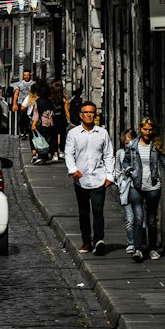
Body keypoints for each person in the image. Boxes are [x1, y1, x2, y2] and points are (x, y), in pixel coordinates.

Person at [64, 100, 114, 255]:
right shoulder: (73, 133)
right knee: (84, 212)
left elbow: (109, 155)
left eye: (91, 112)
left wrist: (110, 175)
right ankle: (86, 241)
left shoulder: (102, 133)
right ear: (80, 115)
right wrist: (73, 170)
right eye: (86, 112)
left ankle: (99, 240)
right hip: (81, 180)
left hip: (99, 178)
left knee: (98, 211)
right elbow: (68, 153)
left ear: (95, 114)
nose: (89, 115)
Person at [122, 116, 165, 262]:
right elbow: (125, 161)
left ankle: (151, 248)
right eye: (145, 129)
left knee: (151, 220)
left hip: (153, 187)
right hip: (136, 187)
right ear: (140, 129)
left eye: (150, 130)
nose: (147, 132)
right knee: (138, 219)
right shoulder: (132, 145)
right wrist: (130, 171)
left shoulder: (156, 145)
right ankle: (138, 249)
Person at [115, 129, 137, 253]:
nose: (127, 145)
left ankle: (140, 240)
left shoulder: (138, 151)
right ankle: (131, 242)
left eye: (129, 142)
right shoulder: (120, 153)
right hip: (126, 186)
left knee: (140, 217)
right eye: (125, 143)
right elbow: (117, 170)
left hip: (139, 186)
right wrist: (120, 184)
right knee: (129, 217)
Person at [31, 79, 54, 164]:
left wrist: (33, 124)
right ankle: (46, 156)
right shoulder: (50, 101)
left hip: (42, 123)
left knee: (41, 141)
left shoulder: (38, 101)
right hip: (50, 123)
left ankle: (41, 157)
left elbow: (36, 114)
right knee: (47, 141)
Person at [49, 79, 69, 162]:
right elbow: (66, 110)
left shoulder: (50, 98)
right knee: (63, 136)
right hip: (62, 119)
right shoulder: (63, 98)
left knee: (53, 137)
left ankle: (55, 154)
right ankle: (62, 152)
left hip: (53, 119)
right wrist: (69, 119)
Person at [11, 68, 33, 138]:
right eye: (25, 75)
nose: (26, 76)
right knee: (22, 118)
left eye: (27, 75)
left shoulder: (33, 84)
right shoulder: (19, 84)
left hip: (30, 104)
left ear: (30, 75)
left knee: (29, 118)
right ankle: (22, 132)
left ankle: (27, 132)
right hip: (21, 103)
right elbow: (16, 94)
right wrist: (14, 104)